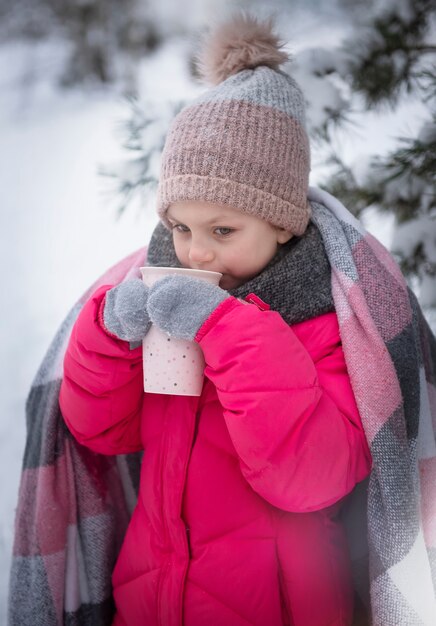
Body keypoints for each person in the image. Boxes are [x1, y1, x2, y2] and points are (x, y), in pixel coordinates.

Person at [58, 14, 373, 626]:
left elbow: (309, 478)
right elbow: (104, 435)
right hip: (152, 594)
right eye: (180, 228)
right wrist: (109, 335)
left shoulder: (330, 325)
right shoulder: (162, 299)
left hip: (279, 606)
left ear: (283, 222)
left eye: (222, 231)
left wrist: (228, 329)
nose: (195, 253)